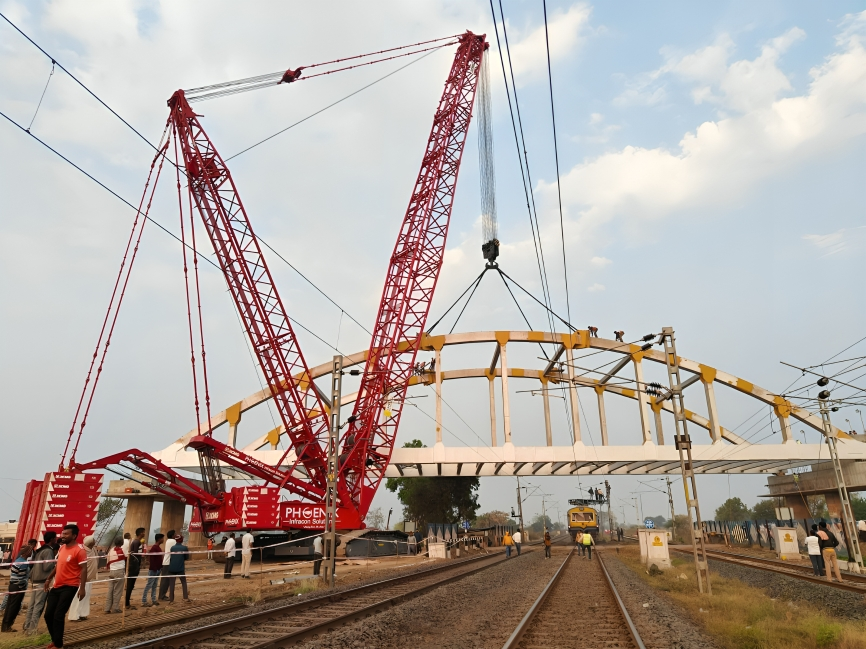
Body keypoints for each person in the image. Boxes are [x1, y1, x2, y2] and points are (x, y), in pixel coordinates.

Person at [43, 524, 89, 649]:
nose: (62, 536)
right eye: (62, 533)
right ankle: (55, 640)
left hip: (70, 586)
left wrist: (82, 588)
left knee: (58, 615)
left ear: (74, 536)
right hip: (57, 586)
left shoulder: (79, 550)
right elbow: (58, 565)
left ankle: (58, 645)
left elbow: (84, 569)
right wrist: (49, 578)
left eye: (66, 534)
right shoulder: (62, 548)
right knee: (48, 615)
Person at [24, 531, 59, 635]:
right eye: (55, 538)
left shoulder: (40, 550)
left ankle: (27, 627)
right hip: (42, 581)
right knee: (38, 606)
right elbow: (46, 567)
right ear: (52, 539)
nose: (56, 539)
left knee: (32, 605)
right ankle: (32, 630)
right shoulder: (48, 551)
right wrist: (55, 563)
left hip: (35, 580)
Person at [2, 545, 32, 632]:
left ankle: (5, 625)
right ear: (26, 553)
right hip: (18, 586)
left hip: (13, 585)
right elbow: (21, 576)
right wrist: (22, 586)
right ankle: (8, 626)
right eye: (30, 551)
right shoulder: (23, 563)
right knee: (14, 607)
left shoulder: (18, 560)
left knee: (10, 606)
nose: (31, 553)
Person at [68, 536, 97, 622]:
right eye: (93, 541)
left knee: (86, 597)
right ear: (90, 543)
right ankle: (74, 616)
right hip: (81, 580)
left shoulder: (92, 549)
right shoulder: (82, 550)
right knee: (78, 598)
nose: (94, 542)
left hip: (89, 579)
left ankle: (82, 614)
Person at [124, 527, 146, 610]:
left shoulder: (137, 542)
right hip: (134, 566)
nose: (144, 534)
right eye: (143, 532)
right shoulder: (137, 542)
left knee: (131, 585)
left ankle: (127, 603)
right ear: (141, 533)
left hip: (134, 565)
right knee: (130, 585)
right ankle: (126, 603)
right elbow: (135, 554)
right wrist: (137, 566)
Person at [104, 538, 126, 614]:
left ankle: (107, 608)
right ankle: (115, 608)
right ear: (121, 542)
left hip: (111, 571)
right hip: (119, 571)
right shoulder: (122, 550)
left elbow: (108, 560)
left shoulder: (111, 550)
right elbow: (127, 557)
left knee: (110, 591)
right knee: (117, 590)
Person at [142, 534, 165, 607]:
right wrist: (154, 568)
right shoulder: (154, 548)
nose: (163, 540)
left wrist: (160, 567)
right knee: (149, 585)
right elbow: (151, 559)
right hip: (153, 570)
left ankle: (154, 599)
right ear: (159, 539)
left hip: (158, 569)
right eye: (162, 538)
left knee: (154, 585)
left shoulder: (157, 547)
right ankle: (144, 600)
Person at [167, 535, 191, 603]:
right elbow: (187, 557)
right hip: (180, 568)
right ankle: (185, 597)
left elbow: (171, 556)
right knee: (183, 582)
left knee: (172, 583)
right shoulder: (184, 548)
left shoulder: (172, 548)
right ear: (182, 540)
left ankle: (171, 600)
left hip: (172, 568)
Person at [158, 529, 177, 600]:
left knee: (164, 580)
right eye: (175, 534)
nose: (176, 535)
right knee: (166, 580)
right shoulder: (173, 541)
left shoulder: (168, 541)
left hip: (166, 562)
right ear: (172, 535)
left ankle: (162, 595)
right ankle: (162, 596)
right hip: (169, 562)